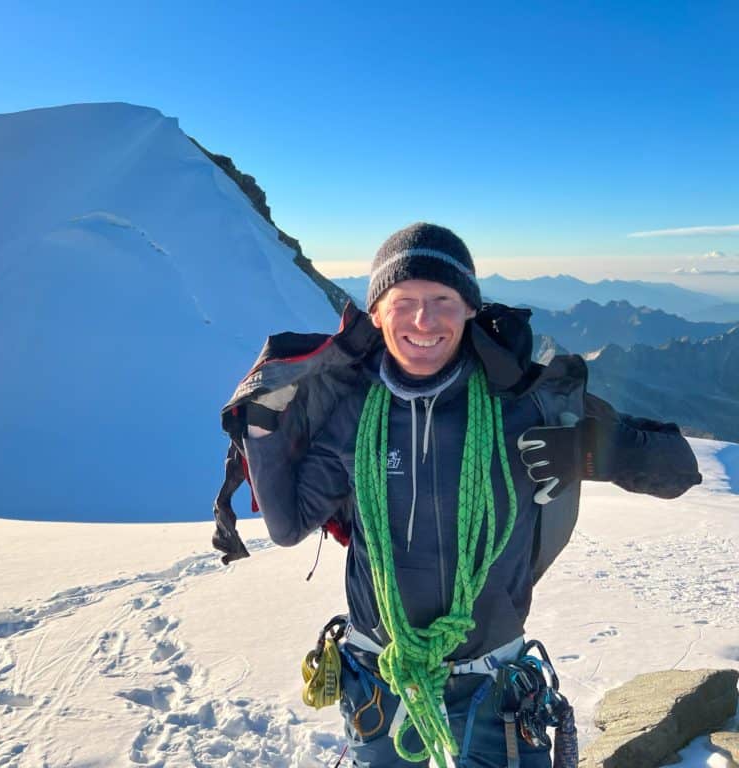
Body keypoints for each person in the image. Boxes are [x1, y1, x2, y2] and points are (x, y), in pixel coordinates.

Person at [228, 222, 702, 768]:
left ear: (471, 308)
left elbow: (679, 469)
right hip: (382, 675)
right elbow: (288, 527)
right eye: (403, 301)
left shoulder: (523, 405)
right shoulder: (353, 412)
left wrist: (594, 452)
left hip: (492, 682)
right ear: (376, 312)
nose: (424, 321)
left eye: (443, 300)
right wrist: (261, 424)